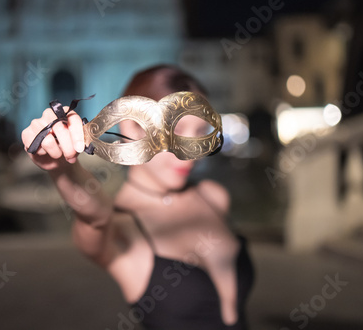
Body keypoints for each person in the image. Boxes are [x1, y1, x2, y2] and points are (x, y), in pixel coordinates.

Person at [21, 65, 254, 330]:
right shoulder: (118, 228)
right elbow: (94, 215)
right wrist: (64, 170)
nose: (190, 153)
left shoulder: (214, 196)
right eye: (177, 128)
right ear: (131, 126)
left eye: (201, 131)